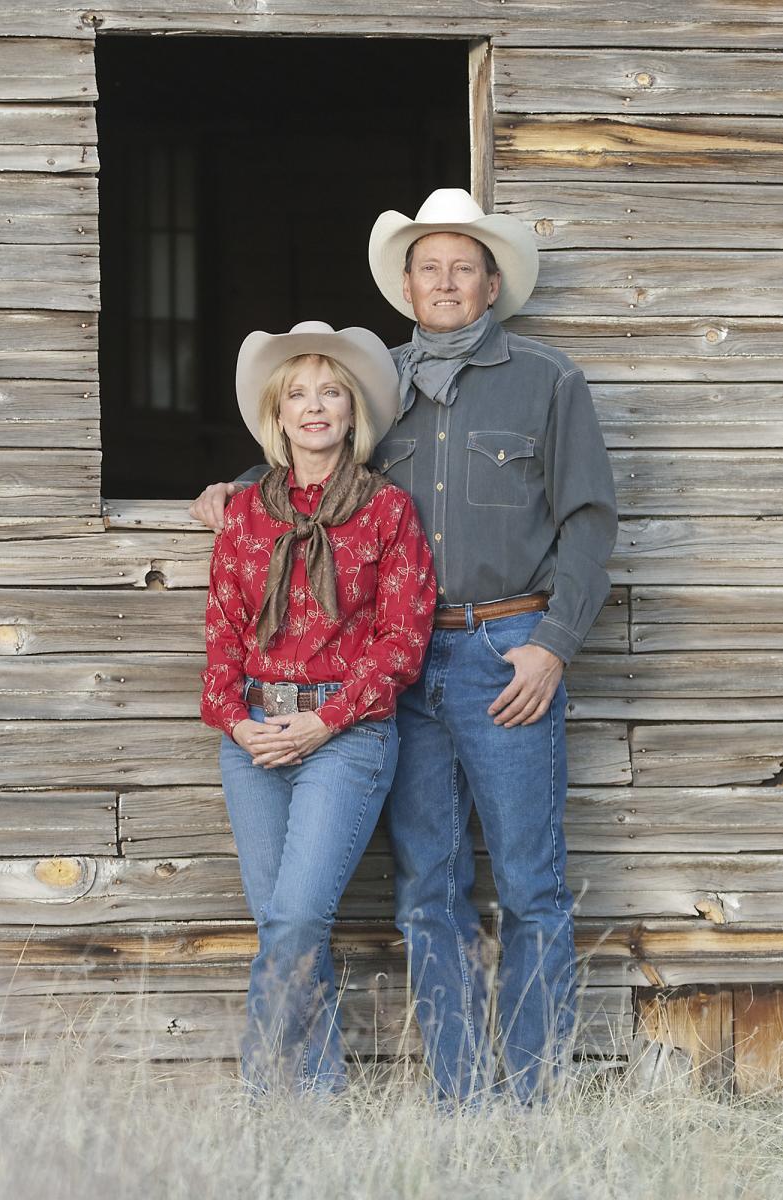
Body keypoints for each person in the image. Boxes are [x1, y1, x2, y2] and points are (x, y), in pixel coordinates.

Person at [191, 190, 617, 1105]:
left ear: (493, 281)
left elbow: (588, 522)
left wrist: (552, 644)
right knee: (428, 885)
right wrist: (230, 490)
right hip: (405, 671)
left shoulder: (547, 379)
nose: (447, 282)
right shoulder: (375, 380)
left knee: (531, 882)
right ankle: (461, 1101)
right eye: (430, 267)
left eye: (464, 266)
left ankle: (533, 1101)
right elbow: (307, 445)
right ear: (406, 283)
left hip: (506, 651)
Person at [199, 320, 436, 1095]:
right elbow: (222, 640)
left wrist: (323, 721)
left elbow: (401, 641)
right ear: (277, 415)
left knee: (297, 917)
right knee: (284, 927)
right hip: (254, 737)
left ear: (351, 411)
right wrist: (240, 723)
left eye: (329, 391)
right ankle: (318, 1110)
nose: (313, 406)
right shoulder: (244, 513)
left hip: (345, 734)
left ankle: (263, 1097)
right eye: (297, 394)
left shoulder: (388, 511)